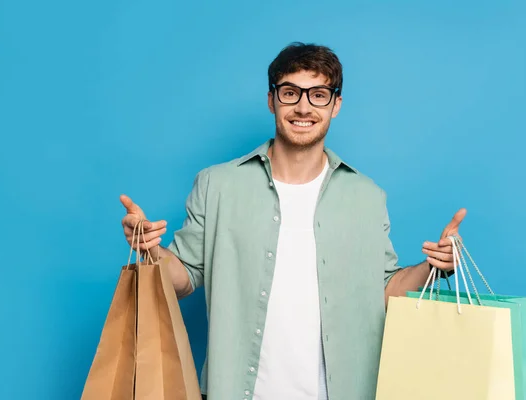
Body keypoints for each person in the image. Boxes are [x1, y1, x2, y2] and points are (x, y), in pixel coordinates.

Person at [120, 42, 465, 400]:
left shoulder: (367, 196)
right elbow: (184, 279)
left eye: (318, 94)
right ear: (272, 100)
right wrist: (150, 250)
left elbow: (381, 292)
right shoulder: (217, 184)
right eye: (290, 93)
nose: (303, 107)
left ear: (336, 105)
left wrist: (433, 266)